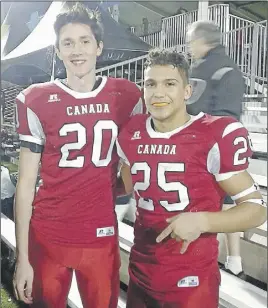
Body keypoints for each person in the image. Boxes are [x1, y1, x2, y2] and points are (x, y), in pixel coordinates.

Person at [13, 3, 143, 308]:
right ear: (58, 50)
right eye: (67, 43)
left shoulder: (126, 95)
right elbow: (25, 183)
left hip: (100, 233)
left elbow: (136, 161)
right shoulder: (37, 99)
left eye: (84, 41)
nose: (76, 50)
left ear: (99, 47)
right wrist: (22, 257)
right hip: (48, 235)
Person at [116, 49, 266, 308]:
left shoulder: (212, 134)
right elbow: (125, 186)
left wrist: (203, 219)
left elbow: (256, 209)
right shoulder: (132, 131)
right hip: (141, 271)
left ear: (187, 91)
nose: (158, 93)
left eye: (170, 84)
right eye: (150, 84)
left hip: (191, 279)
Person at [186, 21, 246, 277]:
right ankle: (235, 260)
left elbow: (190, 106)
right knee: (231, 202)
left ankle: (205, 260)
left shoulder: (202, 68)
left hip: (208, 144)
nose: (189, 48)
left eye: (191, 42)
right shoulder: (232, 67)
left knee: (207, 203)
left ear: (203, 41)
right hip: (234, 140)